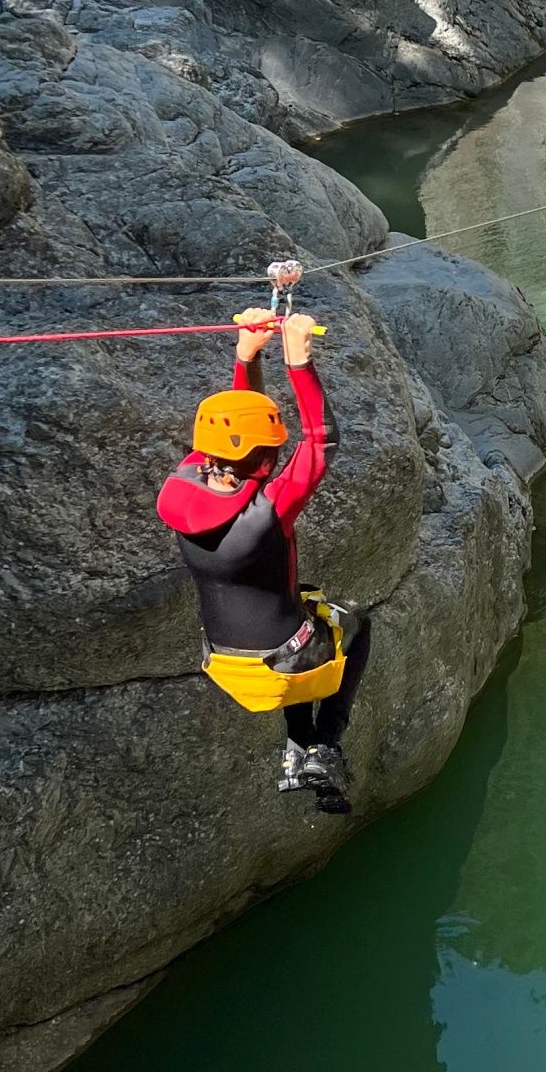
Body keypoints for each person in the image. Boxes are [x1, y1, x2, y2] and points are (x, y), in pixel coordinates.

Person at [155, 305, 370, 814]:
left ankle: (296, 749)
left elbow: (233, 430)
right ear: (268, 461)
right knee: (357, 627)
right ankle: (325, 745)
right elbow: (321, 441)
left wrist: (245, 355)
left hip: (224, 659)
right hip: (284, 656)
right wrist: (298, 362)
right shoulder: (268, 510)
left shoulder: (180, 486)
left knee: (302, 610)